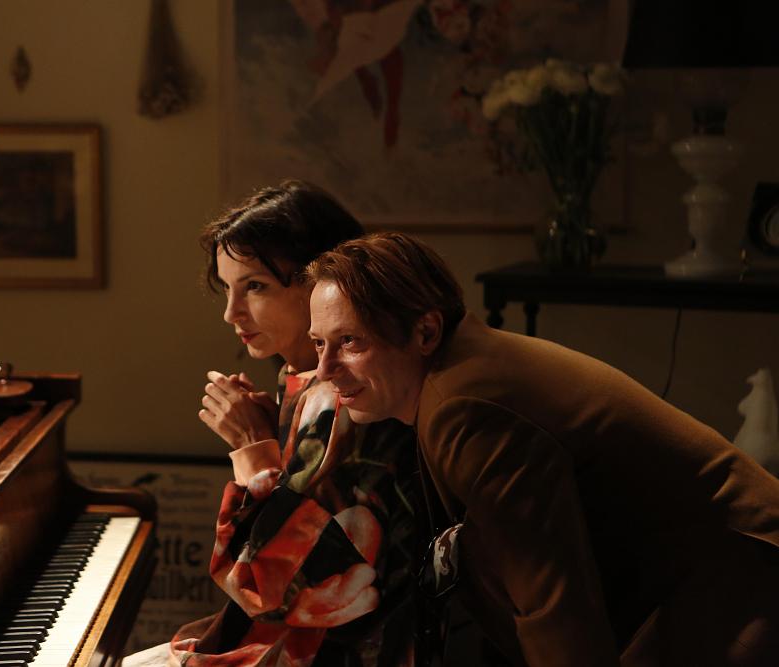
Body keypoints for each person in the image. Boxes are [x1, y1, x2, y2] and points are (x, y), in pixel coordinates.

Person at [305, 232, 779, 667]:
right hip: (705, 581)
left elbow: (552, 603)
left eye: (350, 342)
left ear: (425, 332)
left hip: (742, 581)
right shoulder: (458, 375)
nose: (325, 369)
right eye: (319, 344)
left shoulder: (463, 408)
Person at [165, 183, 421, 666]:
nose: (231, 313)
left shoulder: (348, 396)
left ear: (322, 281)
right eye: (227, 289)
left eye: (255, 286)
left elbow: (273, 591)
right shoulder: (299, 380)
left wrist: (253, 449)